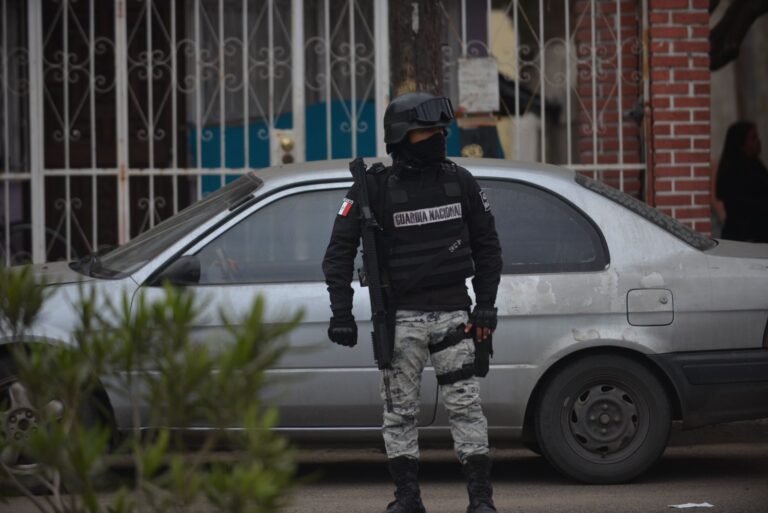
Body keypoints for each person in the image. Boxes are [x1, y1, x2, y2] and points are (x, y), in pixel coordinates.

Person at [322, 91, 503, 513]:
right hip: (399, 319)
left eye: (442, 130)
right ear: (403, 136)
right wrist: (341, 314)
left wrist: (486, 307)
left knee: (466, 408)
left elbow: (488, 246)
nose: (438, 137)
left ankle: (481, 500)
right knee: (399, 412)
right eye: (428, 131)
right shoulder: (372, 189)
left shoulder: (460, 180)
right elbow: (338, 254)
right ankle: (407, 499)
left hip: (456, 316)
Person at [715, 121, 768, 243]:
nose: (758, 141)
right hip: (746, 237)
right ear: (741, 144)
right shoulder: (738, 170)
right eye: (753, 138)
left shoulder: (755, 165)